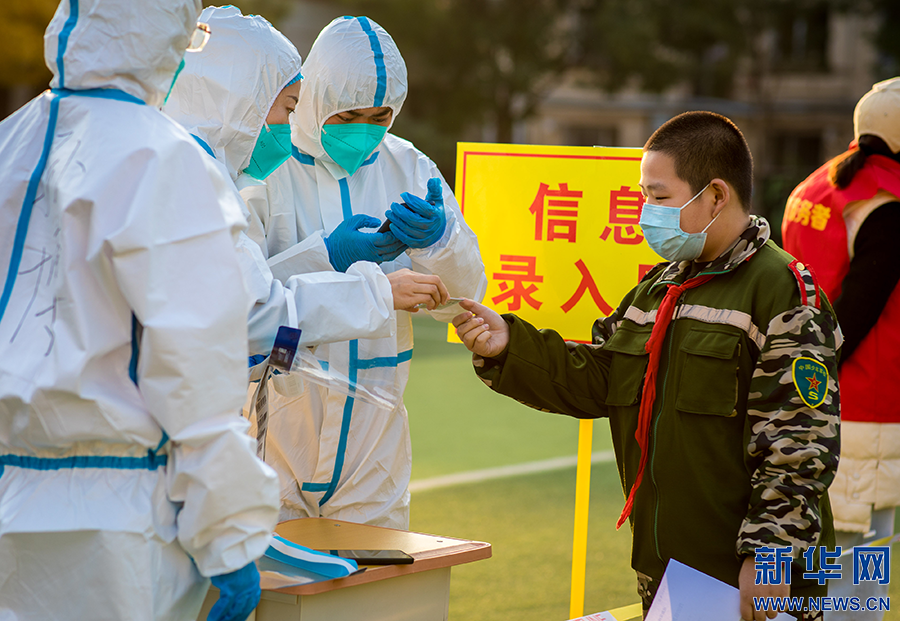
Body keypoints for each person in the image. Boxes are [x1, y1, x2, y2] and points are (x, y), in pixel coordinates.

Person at [454, 111, 840, 621]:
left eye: (659, 197)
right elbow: (600, 377)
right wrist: (509, 345)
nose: (646, 212)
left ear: (716, 195)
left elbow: (800, 442)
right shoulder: (658, 289)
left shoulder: (781, 291)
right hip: (670, 574)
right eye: (643, 196)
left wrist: (770, 558)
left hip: (751, 580)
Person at [0, 1, 280, 620]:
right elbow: (194, 366)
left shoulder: (10, 141)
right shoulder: (162, 155)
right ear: (163, 32)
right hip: (118, 520)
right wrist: (230, 532)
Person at [243, 16, 487, 529]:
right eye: (349, 114)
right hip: (277, 420)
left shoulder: (408, 166)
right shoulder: (265, 165)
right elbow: (244, 300)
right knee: (273, 574)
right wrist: (325, 255)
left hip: (374, 436)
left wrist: (439, 243)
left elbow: (464, 300)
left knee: (376, 576)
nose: (366, 129)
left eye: (380, 116)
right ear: (314, 97)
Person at [164, 6, 450, 358]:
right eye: (289, 108)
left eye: (379, 117)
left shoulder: (183, 168)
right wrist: (368, 288)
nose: (287, 125)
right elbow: (251, 318)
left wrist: (441, 241)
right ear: (245, 99)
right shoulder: (199, 183)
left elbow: (247, 311)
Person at [781, 77, 900, 621]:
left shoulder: (813, 186)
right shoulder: (886, 201)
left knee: (813, 551)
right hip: (863, 404)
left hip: (805, 392)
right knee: (859, 565)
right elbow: (855, 315)